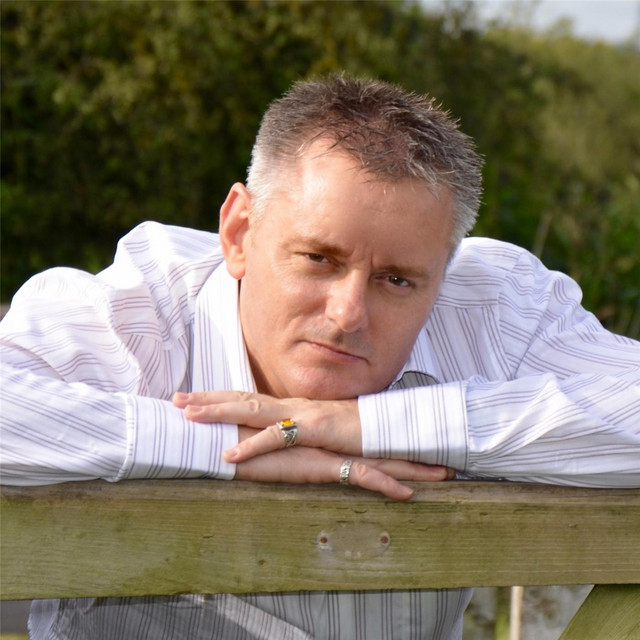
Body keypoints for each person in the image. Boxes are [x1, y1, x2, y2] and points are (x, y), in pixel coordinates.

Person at [1, 75, 639, 639]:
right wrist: (232, 446)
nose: (347, 312)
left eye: (396, 280)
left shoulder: (498, 308)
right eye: (318, 258)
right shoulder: (136, 312)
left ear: (443, 274)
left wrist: (362, 425)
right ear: (239, 232)